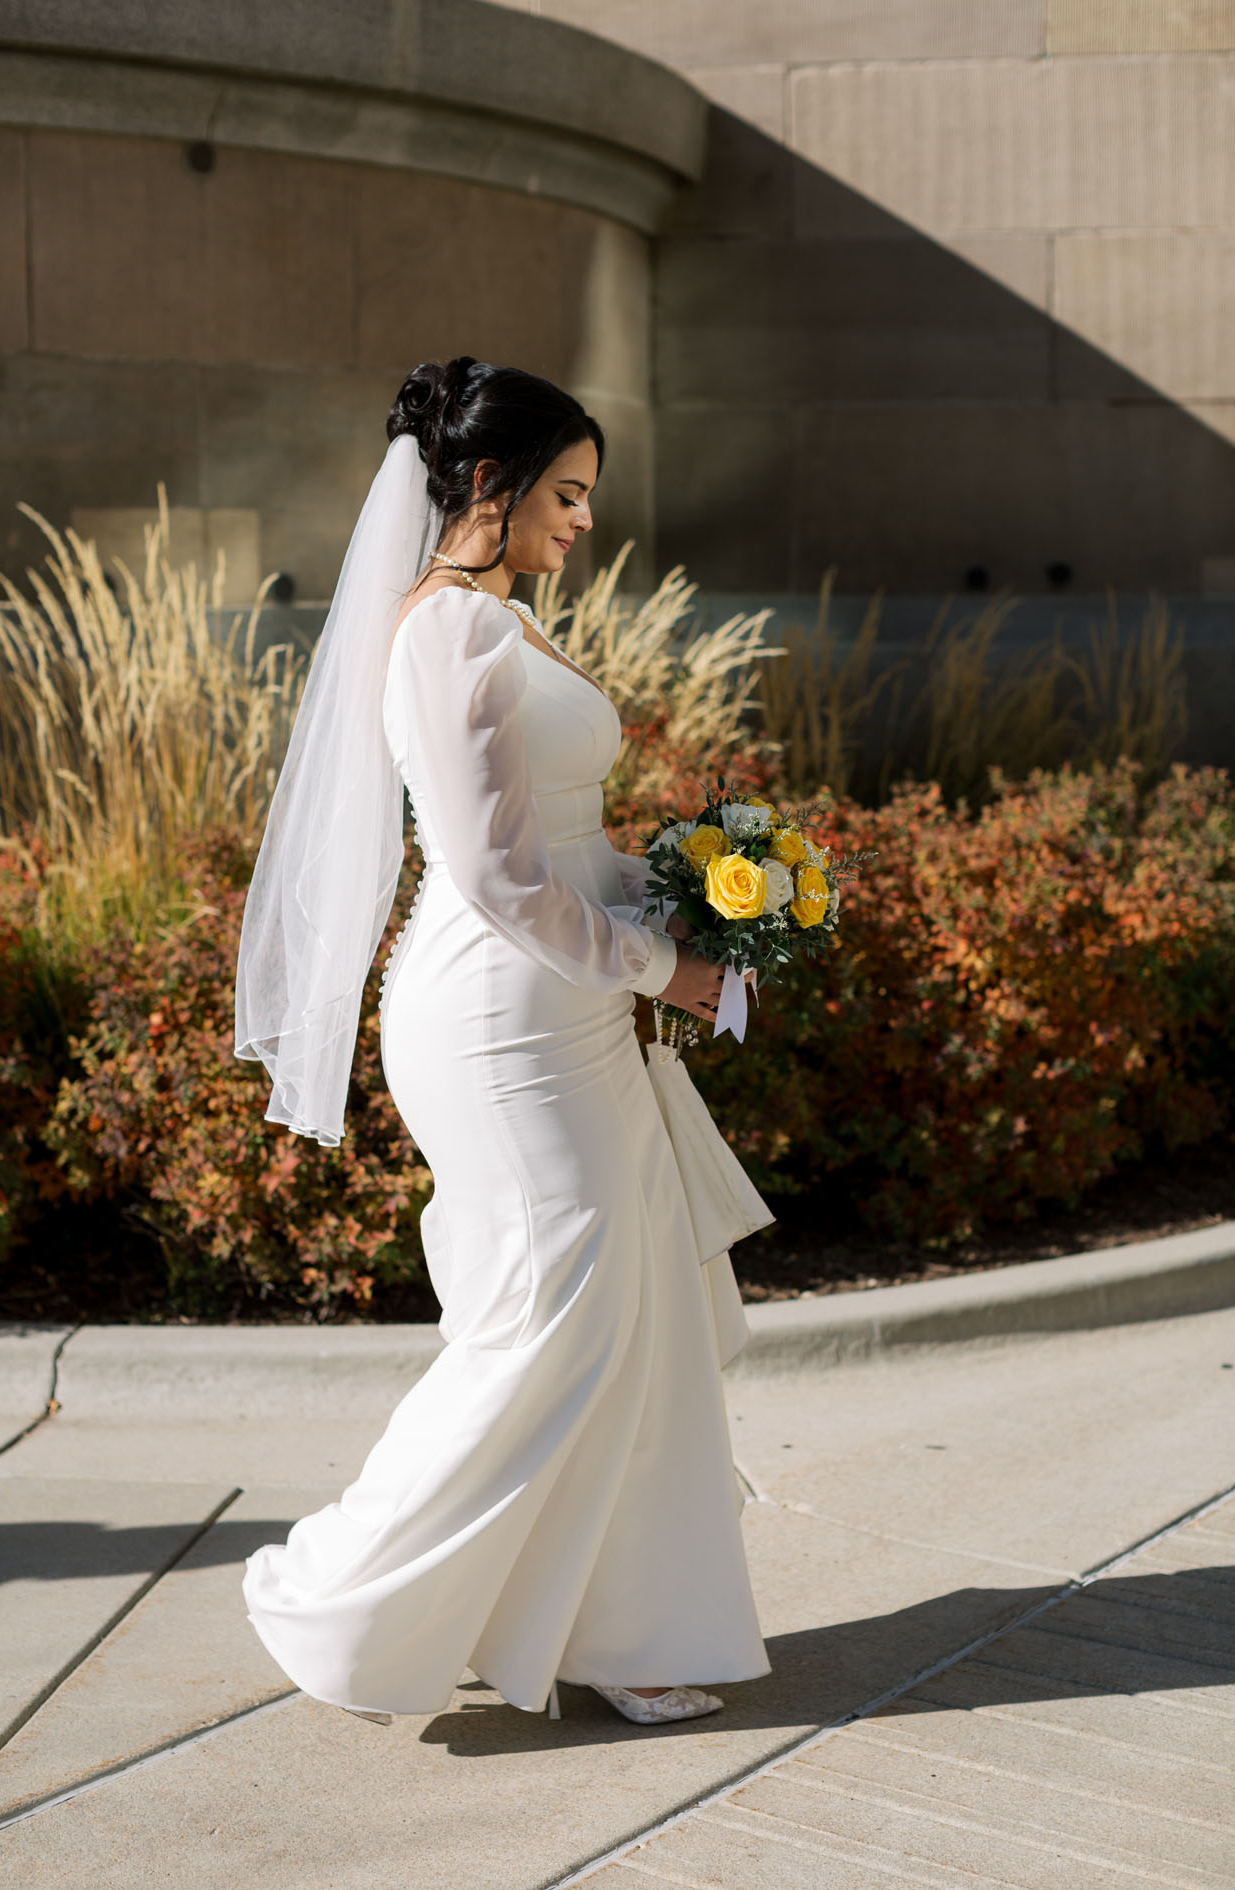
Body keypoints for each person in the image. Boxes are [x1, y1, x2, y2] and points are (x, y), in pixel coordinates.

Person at [234, 356, 770, 1728]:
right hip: (499, 1016)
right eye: (569, 492)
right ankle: (354, 1602)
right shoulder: (449, 635)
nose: (584, 520)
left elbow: (561, 845)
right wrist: (671, 965)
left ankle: (614, 1625)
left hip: (568, 1001)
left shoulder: (500, 622)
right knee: (559, 1311)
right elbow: (497, 878)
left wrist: (687, 896)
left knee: (622, 1300)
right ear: (490, 482)